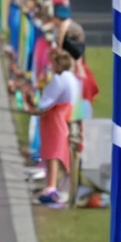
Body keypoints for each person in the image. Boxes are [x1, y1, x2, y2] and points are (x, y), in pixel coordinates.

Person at [22, 49, 81, 206]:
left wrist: (31, 101)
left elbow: (45, 102)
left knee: (53, 153)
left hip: (55, 117)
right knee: (58, 151)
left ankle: (51, 186)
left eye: (53, 63)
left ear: (59, 65)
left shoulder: (59, 79)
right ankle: (57, 184)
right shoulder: (72, 78)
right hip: (65, 114)